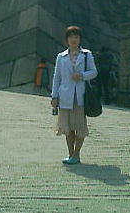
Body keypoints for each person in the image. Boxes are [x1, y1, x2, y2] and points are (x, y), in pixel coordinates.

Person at [51, 26, 98, 165]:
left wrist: (82, 76)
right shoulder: (61, 57)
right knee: (68, 127)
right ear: (67, 40)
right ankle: (71, 153)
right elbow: (57, 77)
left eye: (76, 37)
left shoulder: (86, 55)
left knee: (80, 126)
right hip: (65, 96)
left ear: (80, 39)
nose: (73, 40)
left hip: (80, 96)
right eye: (71, 37)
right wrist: (54, 96)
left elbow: (94, 72)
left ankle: (77, 154)